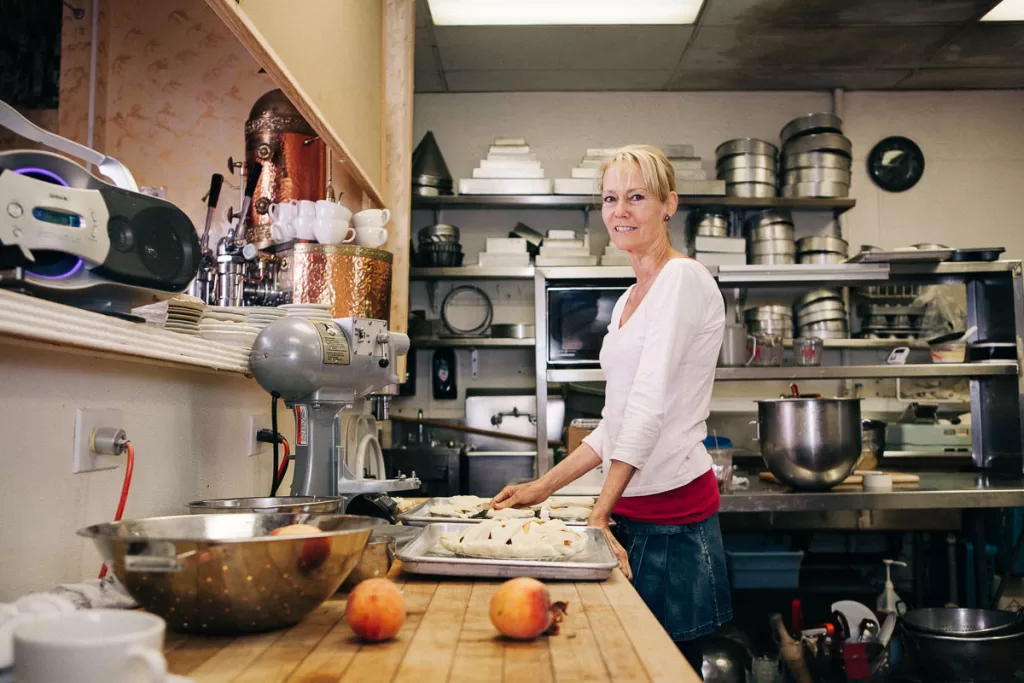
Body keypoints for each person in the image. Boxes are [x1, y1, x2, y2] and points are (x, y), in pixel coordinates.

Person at [492, 144, 732, 676]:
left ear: (668, 204)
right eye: (609, 198)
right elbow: (617, 421)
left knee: (663, 669)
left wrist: (598, 512)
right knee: (626, 664)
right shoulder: (628, 300)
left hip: (675, 523)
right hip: (635, 514)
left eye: (636, 196)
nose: (619, 211)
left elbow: (647, 408)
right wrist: (542, 488)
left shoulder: (682, 280)